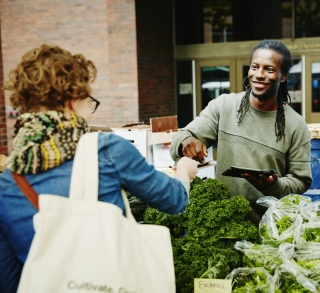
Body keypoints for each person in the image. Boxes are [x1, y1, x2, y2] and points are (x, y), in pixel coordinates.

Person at [0, 44, 198, 293]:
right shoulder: (106, 150)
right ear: (72, 102)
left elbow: (8, 279)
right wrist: (183, 171)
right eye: (88, 101)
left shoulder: (8, 179)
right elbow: (175, 202)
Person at [170, 39, 312, 225]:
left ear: (283, 76)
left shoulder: (295, 124)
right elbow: (179, 139)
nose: (259, 75)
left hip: (269, 230)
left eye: (269, 69)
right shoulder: (224, 106)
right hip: (222, 226)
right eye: (255, 67)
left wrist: (274, 186)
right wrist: (185, 141)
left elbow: (301, 181)